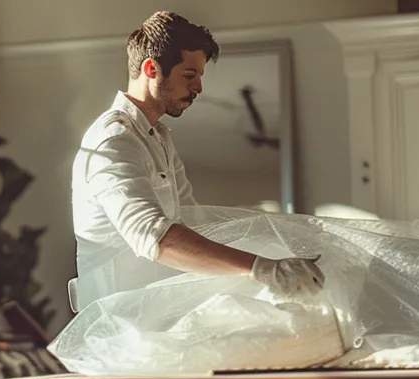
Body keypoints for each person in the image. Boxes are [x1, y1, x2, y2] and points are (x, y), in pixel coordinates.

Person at [70, 11, 325, 308]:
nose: (199, 89)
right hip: (119, 325)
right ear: (152, 69)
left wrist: (286, 238)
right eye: (189, 76)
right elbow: (154, 237)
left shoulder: (159, 137)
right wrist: (263, 268)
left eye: (200, 77)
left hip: (159, 314)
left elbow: (195, 221)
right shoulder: (115, 140)